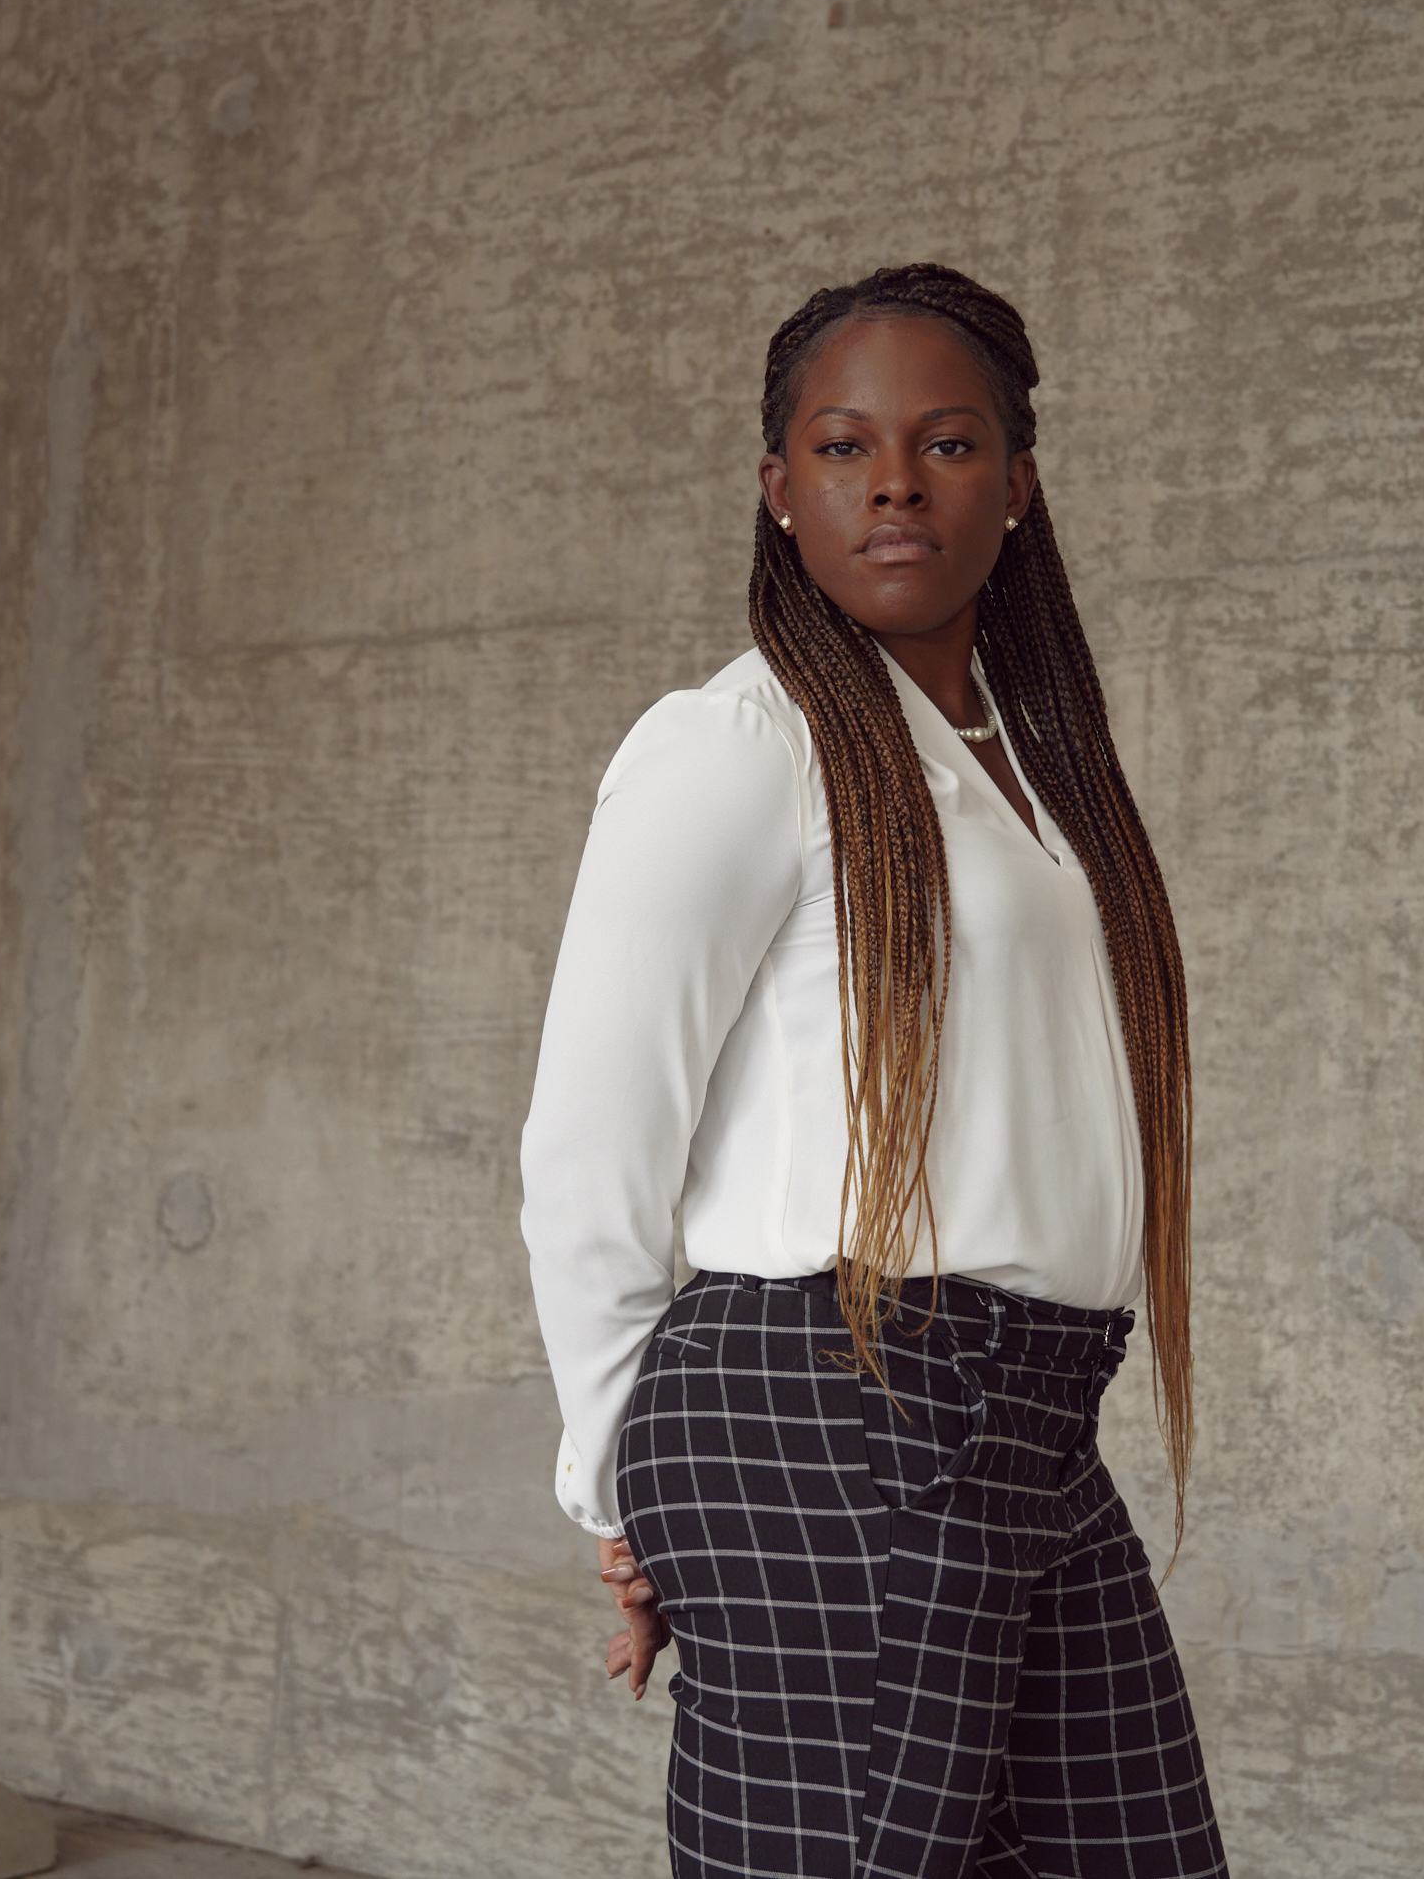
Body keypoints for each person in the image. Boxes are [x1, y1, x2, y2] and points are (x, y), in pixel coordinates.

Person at [520, 263, 1227, 1879]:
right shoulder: (739, 746)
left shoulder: (1034, 768)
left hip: (1031, 1413)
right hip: (828, 1400)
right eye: (844, 447)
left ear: (1018, 483)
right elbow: (591, 1146)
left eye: (946, 443)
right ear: (781, 489)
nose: (895, 482)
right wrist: (620, 1488)